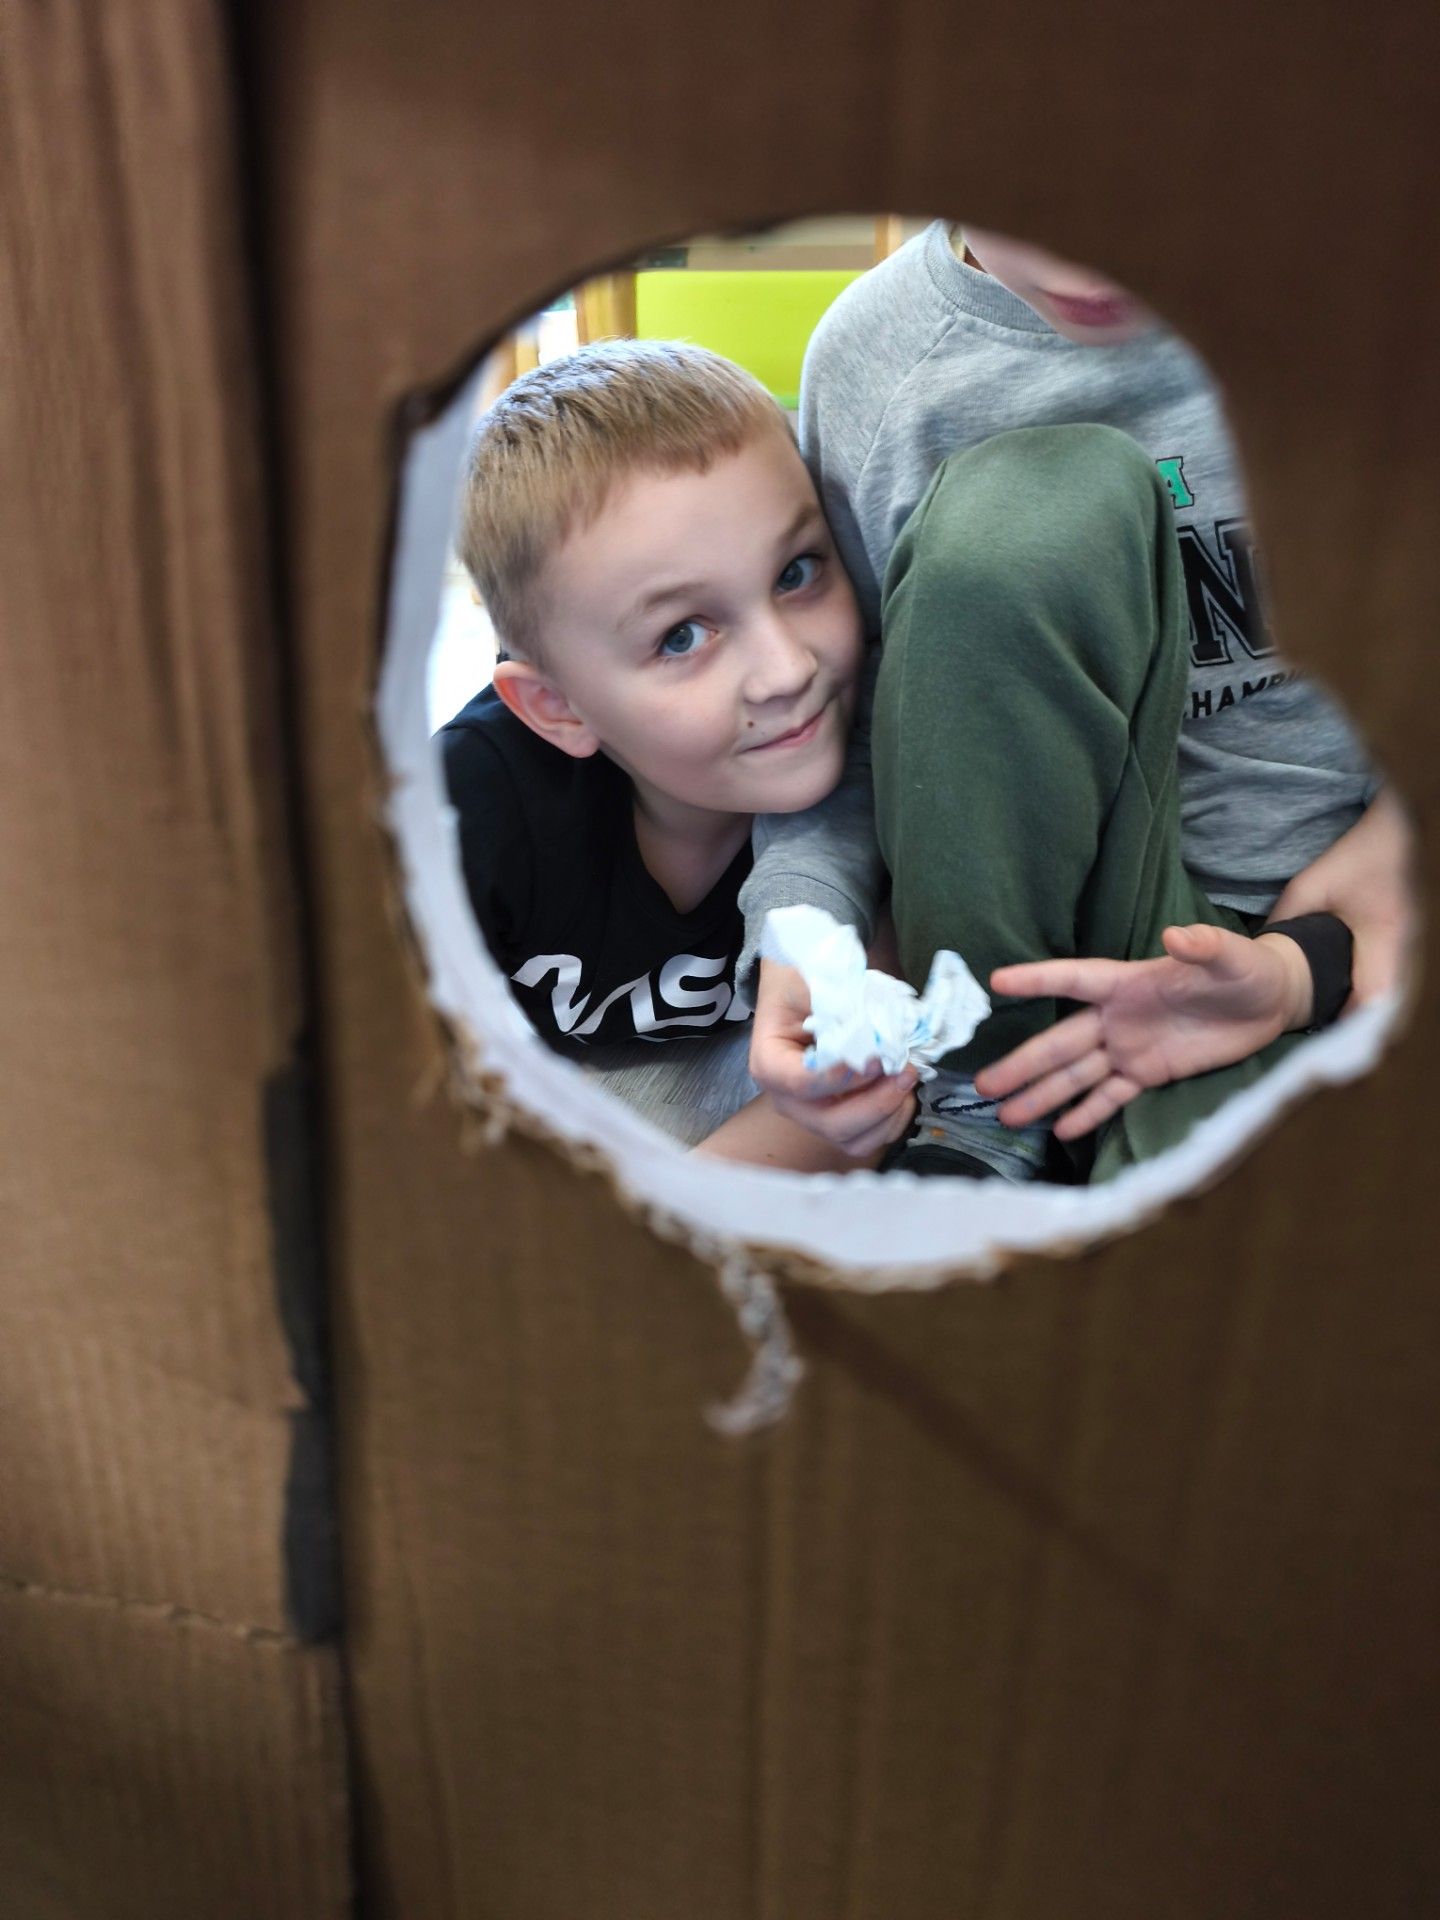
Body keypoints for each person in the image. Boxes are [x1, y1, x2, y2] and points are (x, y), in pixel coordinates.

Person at [741, 221, 1413, 1181]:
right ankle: (986, 1100)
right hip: (1053, 946)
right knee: (1028, 515)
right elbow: (844, 722)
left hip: (1338, 921)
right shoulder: (877, 364)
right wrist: (807, 926)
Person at [439, 340, 869, 1169]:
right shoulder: (467, 812)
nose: (789, 671)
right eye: (681, 636)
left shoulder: (875, 776)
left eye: (796, 572)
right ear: (558, 708)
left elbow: (843, 1106)